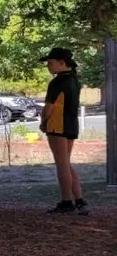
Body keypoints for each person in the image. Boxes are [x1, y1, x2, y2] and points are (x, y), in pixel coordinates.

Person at [40, 47, 87, 214]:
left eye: (51, 63)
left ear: (62, 63)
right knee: (66, 163)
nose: (48, 66)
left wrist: (43, 121)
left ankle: (67, 201)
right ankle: (79, 200)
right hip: (71, 124)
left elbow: (48, 108)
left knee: (61, 164)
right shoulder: (75, 80)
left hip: (57, 125)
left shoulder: (57, 82)